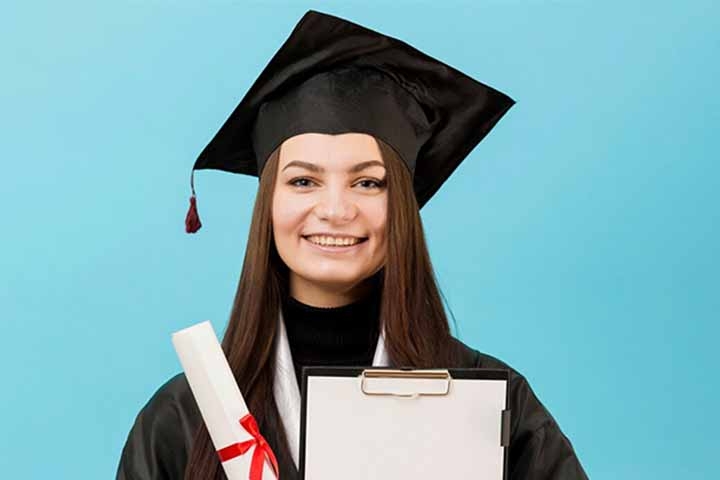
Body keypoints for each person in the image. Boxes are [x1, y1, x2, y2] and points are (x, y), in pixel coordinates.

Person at [117, 10, 588, 480]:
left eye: (368, 183)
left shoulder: (491, 406)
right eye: (303, 181)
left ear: (401, 206)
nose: (336, 209)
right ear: (268, 205)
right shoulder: (185, 417)